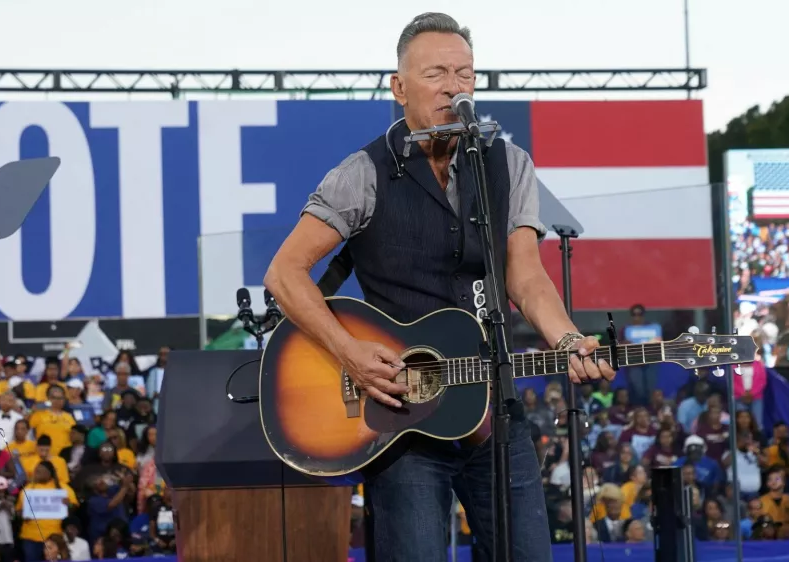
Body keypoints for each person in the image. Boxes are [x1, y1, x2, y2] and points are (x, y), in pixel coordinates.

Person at [263, 12, 615, 561]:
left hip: (493, 406)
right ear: (399, 88)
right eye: (437, 74)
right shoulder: (363, 173)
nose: (455, 86)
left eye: (465, 73)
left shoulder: (509, 163)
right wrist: (350, 352)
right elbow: (284, 274)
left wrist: (567, 340)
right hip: (401, 417)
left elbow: (526, 275)